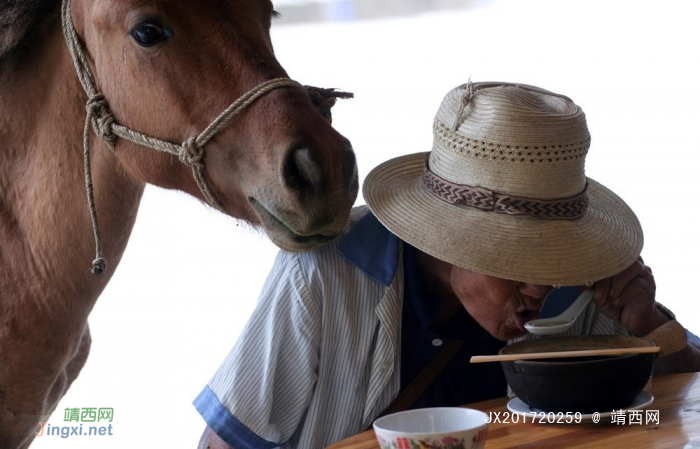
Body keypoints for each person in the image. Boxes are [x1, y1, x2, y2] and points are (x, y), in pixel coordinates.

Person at [194, 81, 700, 449]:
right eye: (518, 258)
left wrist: (649, 328)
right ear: (453, 239)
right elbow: (228, 441)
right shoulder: (327, 274)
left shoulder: (580, 289)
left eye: (554, 256)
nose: (541, 287)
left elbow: (683, 406)